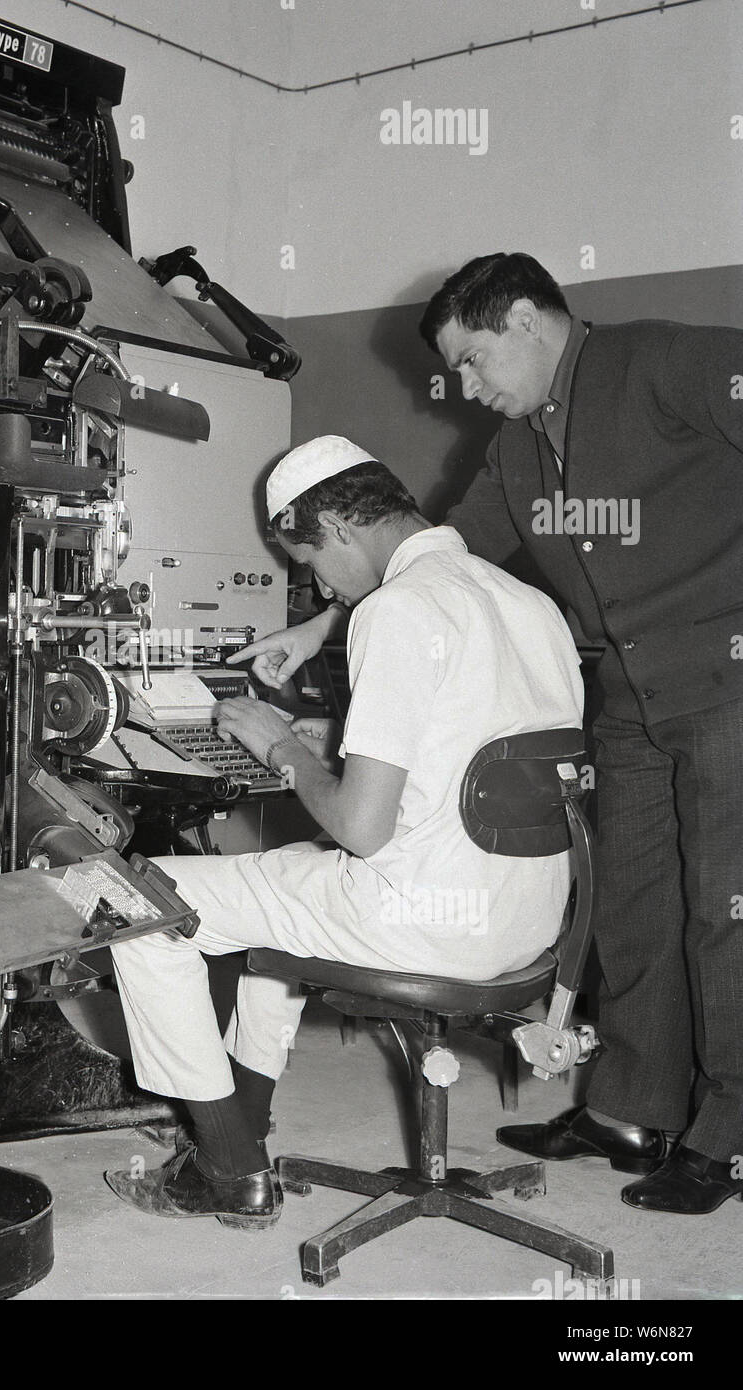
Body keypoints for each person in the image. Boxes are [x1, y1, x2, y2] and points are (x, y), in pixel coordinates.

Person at [242, 253, 743, 1215]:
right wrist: (318, 623)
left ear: (523, 321)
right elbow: (438, 553)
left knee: (724, 915)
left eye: (472, 362)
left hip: (724, 679)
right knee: (634, 909)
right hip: (627, 696)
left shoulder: (664, 362)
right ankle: (633, 1108)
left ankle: (727, 1138)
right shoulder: (517, 450)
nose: (465, 387)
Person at [105, 434, 582, 1228]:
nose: (319, 585)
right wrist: (330, 748)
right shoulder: (526, 602)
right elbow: (467, 757)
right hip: (530, 920)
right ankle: (247, 1121)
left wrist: (280, 746)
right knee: (280, 880)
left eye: (312, 564)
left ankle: (227, 1167)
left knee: (139, 899)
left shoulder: (398, 611)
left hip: (425, 925)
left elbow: (362, 828)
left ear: (336, 527)